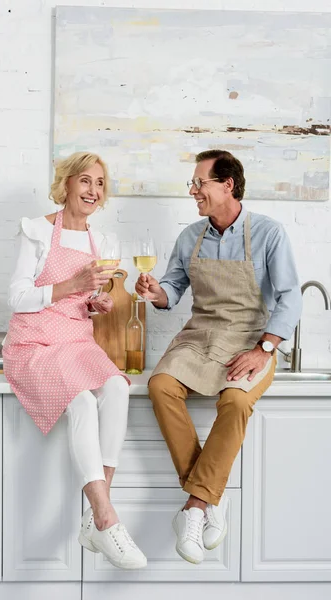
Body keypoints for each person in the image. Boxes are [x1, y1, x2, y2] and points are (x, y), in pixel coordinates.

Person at [136, 149, 302, 565]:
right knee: (160, 386)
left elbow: (289, 297)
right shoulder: (190, 236)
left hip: (250, 338)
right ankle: (211, 497)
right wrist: (156, 292)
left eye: (200, 183)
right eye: (193, 184)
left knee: (237, 399)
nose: (193, 191)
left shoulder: (269, 233)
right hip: (200, 334)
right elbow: (172, 290)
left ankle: (194, 507)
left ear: (227, 185)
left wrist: (264, 349)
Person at [3, 151, 147, 570]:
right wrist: (74, 284)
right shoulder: (35, 231)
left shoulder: (98, 242)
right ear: (66, 184)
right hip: (34, 343)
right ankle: (105, 515)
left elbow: (81, 302)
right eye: (85, 181)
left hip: (76, 340)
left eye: (100, 184)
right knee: (82, 401)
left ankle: (94, 517)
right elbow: (17, 297)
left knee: (118, 386)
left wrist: (95, 301)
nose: (92, 191)